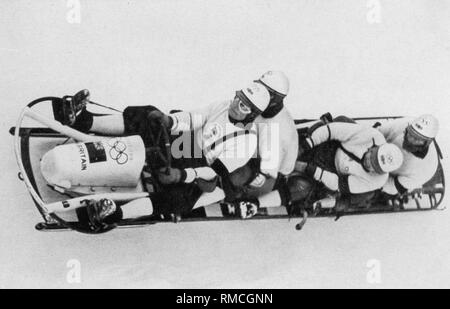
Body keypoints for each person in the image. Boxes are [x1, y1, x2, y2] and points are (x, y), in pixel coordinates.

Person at [54, 83, 271, 230]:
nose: (234, 104)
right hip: (187, 143)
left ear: (252, 113)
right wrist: (169, 121)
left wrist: (181, 175)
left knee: (180, 201)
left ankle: (113, 214)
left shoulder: (246, 142)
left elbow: (215, 172)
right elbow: (195, 117)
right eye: (237, 97)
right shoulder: (224, 105)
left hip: (200, 167)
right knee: (148, 115)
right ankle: (83, 120)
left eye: (242, 105)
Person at [236, 116, 404, 218]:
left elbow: (339, 183)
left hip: (330, 174)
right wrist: (306, 145)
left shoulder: (377, 181)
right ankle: (251, 140)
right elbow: (332, 130)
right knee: (291, 145)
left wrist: (307, 169)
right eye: (371, 157)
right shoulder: (371, 135)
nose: (368, 163)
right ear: (375, 147)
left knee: (301, 187)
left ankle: (255, 204)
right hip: (328, 147)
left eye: (374, 166)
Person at [243, 71, 299, 196]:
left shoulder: (277, 131)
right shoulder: (263, 107)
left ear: (273, 97)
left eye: (262, 90)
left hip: (270, 173)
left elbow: (265, 177)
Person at [377, 114, 440, 196]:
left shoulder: (426, 169)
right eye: (410, 134)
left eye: (417, 139)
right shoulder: (404, 123)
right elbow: (378, 131)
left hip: (385, 177)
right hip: (373, 153)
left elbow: (393, 186)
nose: (410, 140)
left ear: (427, 142)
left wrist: (376, 181)